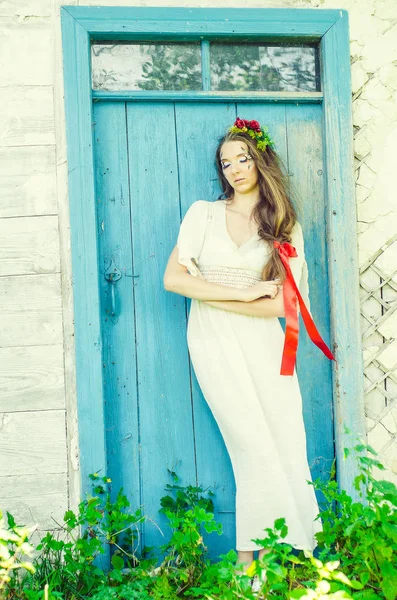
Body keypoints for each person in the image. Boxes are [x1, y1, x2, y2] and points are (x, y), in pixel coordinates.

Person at [163, 117, 329, 583]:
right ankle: (246, 565)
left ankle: (297, 554)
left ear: (260, 160)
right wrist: (241, 293)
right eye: (226, 162)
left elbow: (287, 304)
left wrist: (232, 293)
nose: (235, 168)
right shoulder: (204, 214)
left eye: (243, 158)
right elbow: (175, 280)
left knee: (284, 436)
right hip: (212, 337)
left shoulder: (283, 224)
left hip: (263, 342)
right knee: (251, 444)